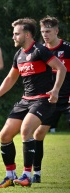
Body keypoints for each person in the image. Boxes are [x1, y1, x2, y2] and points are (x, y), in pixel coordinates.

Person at [0, 18, 66, 188]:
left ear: (27, 35)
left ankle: (27, 175)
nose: (13, 37)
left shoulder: (40, 50)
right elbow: (11, 78)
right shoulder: (19, 55)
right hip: (25, 100)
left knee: (26, 130)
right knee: (4, 135)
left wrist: (55, 91)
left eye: (16, 34)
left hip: (42, 100)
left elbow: (61, 68)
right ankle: (10, 176)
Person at [32, 16, 70, 183]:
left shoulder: (68, 48)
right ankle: (37, 174)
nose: (45, 35)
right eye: (42, 32)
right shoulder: (40, 51)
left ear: (56, 31)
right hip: (50, 100)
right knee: (38, 134)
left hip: (67, 98)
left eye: (48, 31)